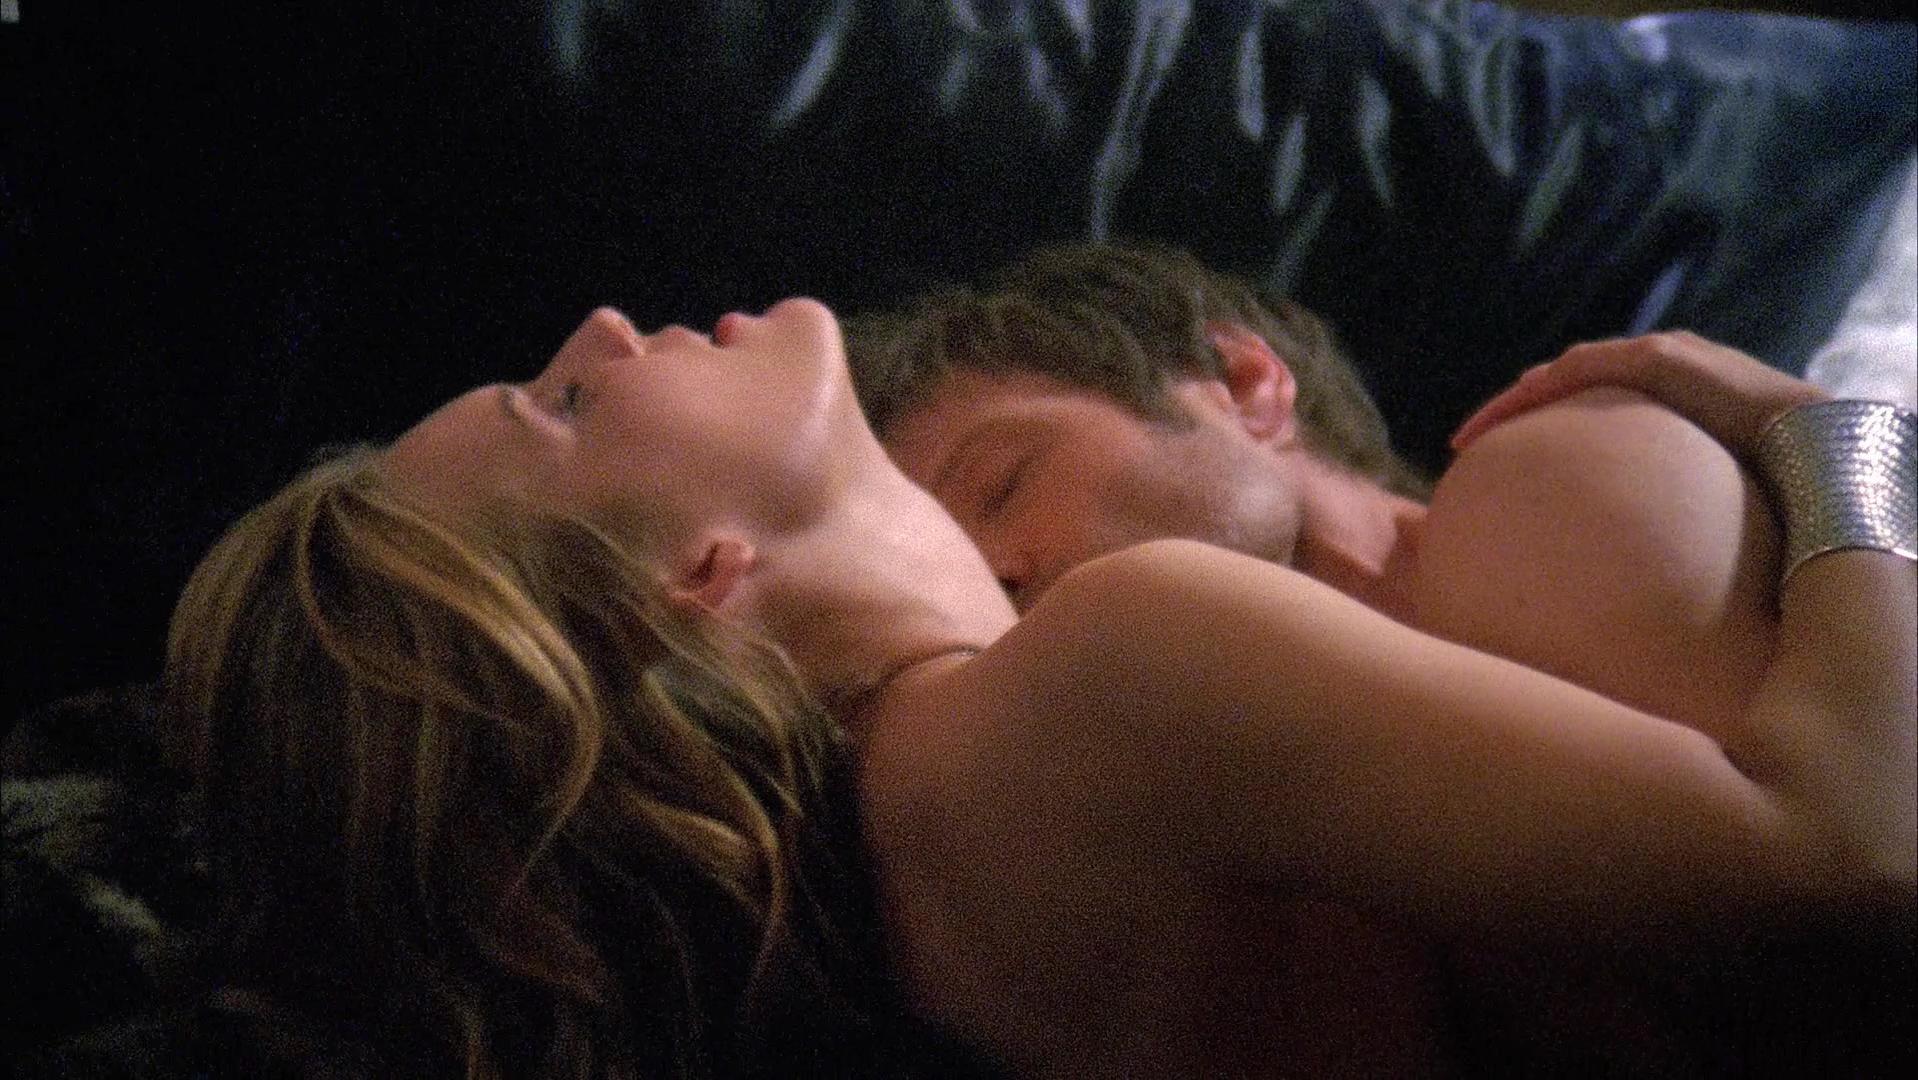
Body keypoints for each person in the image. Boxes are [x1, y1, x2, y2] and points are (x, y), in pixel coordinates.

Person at [160, 294, 1913, 1078]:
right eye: (560, 406)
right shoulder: (1104, 675)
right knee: (1569, 472)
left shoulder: (932, 858)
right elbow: (1846, 866)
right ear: (694, 583)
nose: (605, 330)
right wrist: (1839, 437)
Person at [844, 242, 1914, 1068]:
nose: (996, 574)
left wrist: (1842, 437)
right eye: (950, 556)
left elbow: (1854, 919)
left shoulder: (1545, 476)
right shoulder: (1238, 839)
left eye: (1002, 484)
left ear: (1245, 383)